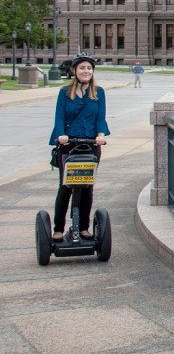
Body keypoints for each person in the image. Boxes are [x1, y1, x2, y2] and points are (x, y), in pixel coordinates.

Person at [49, 53, 110, 240]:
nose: (86, 71)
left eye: (89, 68)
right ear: (74, 70)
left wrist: (101, 135)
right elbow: (59, 117)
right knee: (66, 186)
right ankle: (58, 228)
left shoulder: (98, 92)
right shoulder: (64, 92)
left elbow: (101, 117)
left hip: (91, 145)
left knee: (87, 187)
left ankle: (83, 227)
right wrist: (61, 136)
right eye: (82, 68)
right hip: (69, 145)